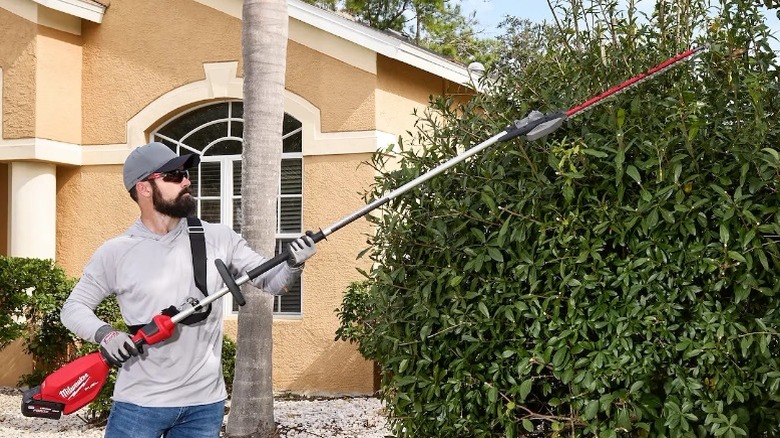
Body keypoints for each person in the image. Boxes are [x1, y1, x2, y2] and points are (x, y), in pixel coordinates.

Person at [61, 142, 316, 438]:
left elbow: (272, 281)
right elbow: (74, 307)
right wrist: (107, 334)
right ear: (144, 188)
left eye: (185, 173)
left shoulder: (218, 238)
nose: (187, 181)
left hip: (203, 404)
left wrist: (293, 263)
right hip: (139, 404)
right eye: (174, 175)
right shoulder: (116, 252)